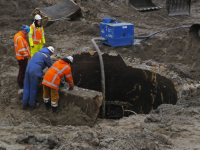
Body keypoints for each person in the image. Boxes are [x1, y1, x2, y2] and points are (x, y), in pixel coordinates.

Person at [14, 25, 31, 89]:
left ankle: (19, 81)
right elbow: (21, 51)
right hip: (22, 58)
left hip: (21, 57)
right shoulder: (20, 38)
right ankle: (21, 84)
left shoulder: (18, 35)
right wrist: (28, 55)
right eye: (27, 32)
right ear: (24, 31)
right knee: (22, 71)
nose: (27, 34)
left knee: (21, 70)